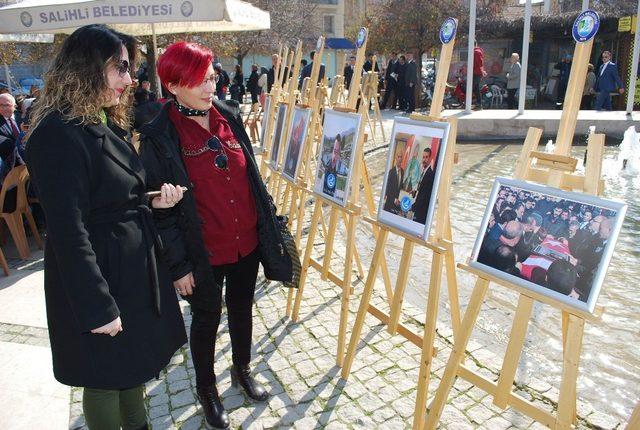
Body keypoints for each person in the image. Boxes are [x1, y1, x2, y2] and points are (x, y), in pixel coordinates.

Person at [24, 24, 187, 430]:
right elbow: (67, 229)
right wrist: (96, 305)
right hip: (101, 277)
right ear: (88, 67)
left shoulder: (100, 119)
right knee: (104, 378)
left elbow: (109, 195)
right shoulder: (57, 133)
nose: (130, 80)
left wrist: (153, 199)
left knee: (131, 368)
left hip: (128, 271)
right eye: (121, 68)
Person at [140, 41, 290, 429]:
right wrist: (178, 266)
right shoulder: (159, 135)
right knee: (206, 320)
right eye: (199, 81)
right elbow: (161, 213)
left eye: (211, 78)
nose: (210, 88)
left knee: (242, 309)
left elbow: (249, 176)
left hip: (246, 242)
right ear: (172, 86)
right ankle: (207, 390)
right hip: (202, 252)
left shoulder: (227, 114)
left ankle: (242, 369)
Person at [0, 93, 24, 182]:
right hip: (12, 165)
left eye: (7, 105)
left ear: (14, 106)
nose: (3, 108)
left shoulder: (22, 116)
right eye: (0, 105)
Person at [411, 147, 435, 223]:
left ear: (430, 158)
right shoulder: (424, 172)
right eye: (423, 157)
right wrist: (414, 192)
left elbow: (423, 197)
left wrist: (412, 207)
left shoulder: (430, 175)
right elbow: (421, 190)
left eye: (426, 157)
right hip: (419, 210)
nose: (424, 160)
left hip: (421, 213)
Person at [473, 41, 487, 110]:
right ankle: (478, 104)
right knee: (476, 89)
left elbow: (480, 63)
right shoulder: (476, 51)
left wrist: (482, 71)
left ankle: (478, 104)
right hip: (476, 73)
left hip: (476, 73)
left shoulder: (476, 52)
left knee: (472, 88)